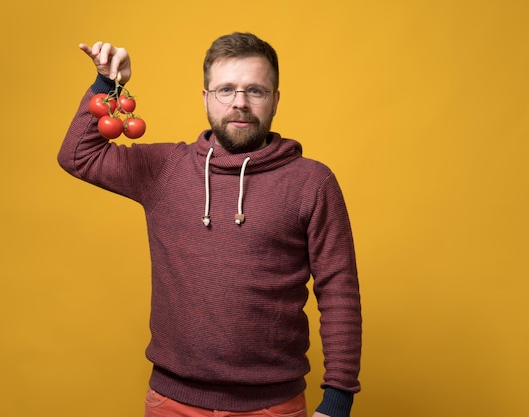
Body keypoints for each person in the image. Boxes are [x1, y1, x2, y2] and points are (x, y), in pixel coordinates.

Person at [58, 32, 362, 417]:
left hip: (272, 406)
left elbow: (339, 291)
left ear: (276, 99)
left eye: (255, 90)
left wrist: (337, 400)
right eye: (225, 90)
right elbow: (77, 156)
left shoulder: (312, 183)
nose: (239, 103)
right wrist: (108, 85)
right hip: (172, 402)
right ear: (205, 98)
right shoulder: (165, 169)